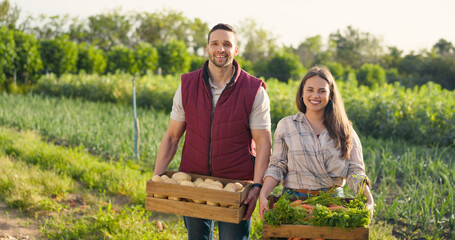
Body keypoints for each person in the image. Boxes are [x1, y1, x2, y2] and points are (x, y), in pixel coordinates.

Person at [153, 23, 272, 240]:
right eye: (215, 43)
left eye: (227, 44)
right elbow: (172, 136)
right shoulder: (187, 85)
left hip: (235, 187)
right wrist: (157, 179)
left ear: (235, 50)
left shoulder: (253, 90)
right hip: (192, 182)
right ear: (207, 48)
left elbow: (263, 143)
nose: (220, 49)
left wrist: (256, 186)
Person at [258, 65, 374, 221]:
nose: (315, 95)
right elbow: (277, 165)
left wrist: (369, 198)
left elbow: (355, 171)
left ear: (331, 95)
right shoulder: (287, 126)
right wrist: (263, 194)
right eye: (310, 90)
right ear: (302, 93)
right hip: (294, 202)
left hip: (333, 203)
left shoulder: (344, 129)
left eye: (322, 91)